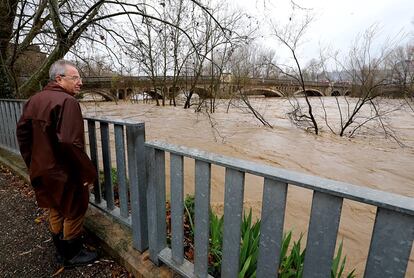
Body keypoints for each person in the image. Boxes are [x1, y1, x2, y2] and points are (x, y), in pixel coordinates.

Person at [16, 59, 98, 268]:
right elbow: (71, 142)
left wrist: (32, 163)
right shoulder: (67, 102)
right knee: (74, 208)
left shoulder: (34, 100)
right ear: (59, 79)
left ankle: (60, 251)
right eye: (75, 78)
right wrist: (87, 172)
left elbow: (23, 135)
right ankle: (72, 253)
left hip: (43, 167)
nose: (80, 82)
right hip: (64, 170)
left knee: (55, 205)